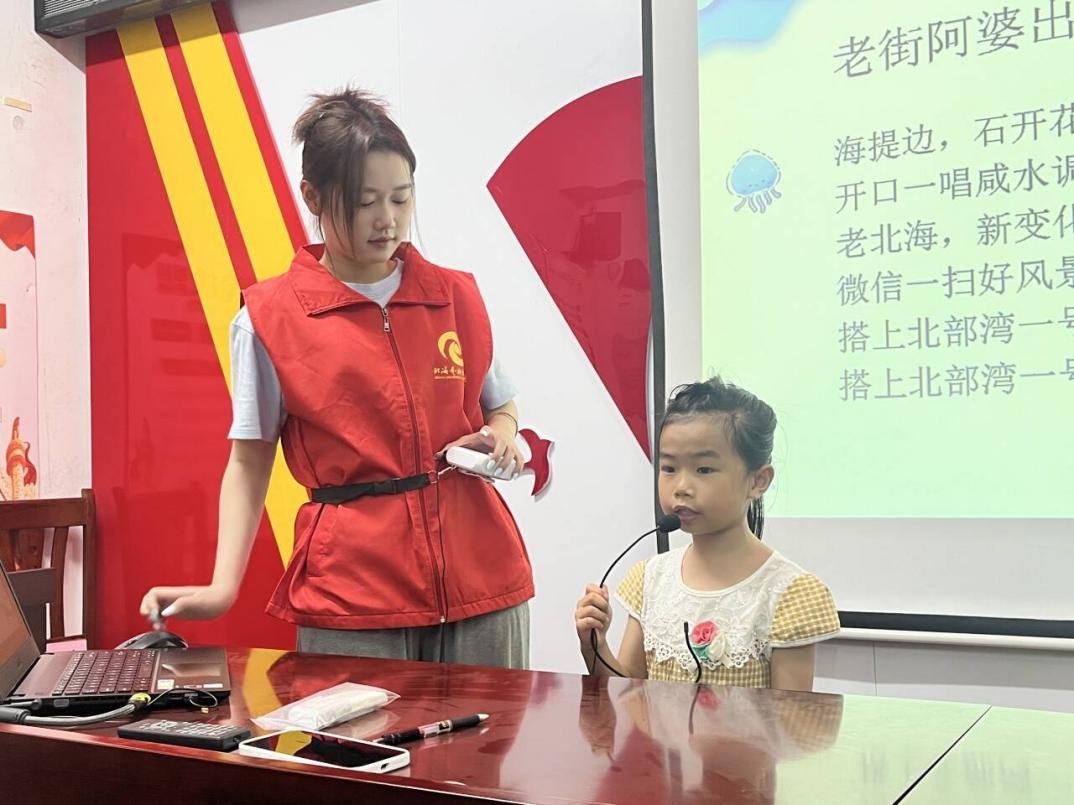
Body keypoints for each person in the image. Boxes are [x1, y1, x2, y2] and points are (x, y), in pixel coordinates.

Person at [141, 88, 533, 668]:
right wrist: (223, 587)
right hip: (352, 593)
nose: (387, 220)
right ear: (314, 197)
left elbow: (500, 404)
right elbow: (249, 461)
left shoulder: (455, 296)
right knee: (355, 732)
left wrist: (502, 433)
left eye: (401, 198)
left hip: (483, 581)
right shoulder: (269, 319)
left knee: (491, 731)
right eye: (364, 201)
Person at [574, 377, 839, 689]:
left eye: (704, 470)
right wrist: (594, 646)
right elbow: (627, 696)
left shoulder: (789, 594)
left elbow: (791, 717)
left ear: (758, 481)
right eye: (669, 468)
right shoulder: (649, 579)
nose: (681, 487)